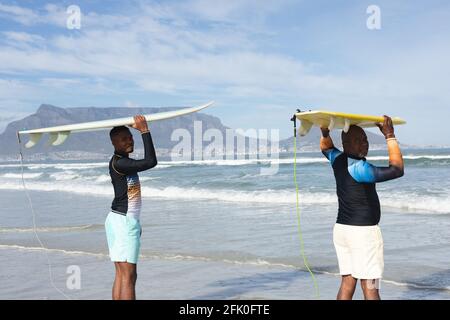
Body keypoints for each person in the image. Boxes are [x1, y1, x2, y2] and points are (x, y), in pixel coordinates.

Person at [320, 115, 404, 300]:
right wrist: (390, 136)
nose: (364, 144)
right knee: (371, 286)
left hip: (342, 231)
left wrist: (325, 134)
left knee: (348, 281)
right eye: (358, 141)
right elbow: (397, 169)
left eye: (365, 139)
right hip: (364, 236)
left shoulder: (338, 160)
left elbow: (326, 148)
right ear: (346, 143)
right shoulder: (359, 168)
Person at [105, 115, 157, 300]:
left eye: (130, 137)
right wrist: (144, 130)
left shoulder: (120, 161)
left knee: (122, 274)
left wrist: (134, 222)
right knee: (129, 276)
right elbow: (151, 161)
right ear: (114, 143)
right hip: (124, 222)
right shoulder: (120, 162)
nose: (129, 141)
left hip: (120, 220)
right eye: (123, 139)